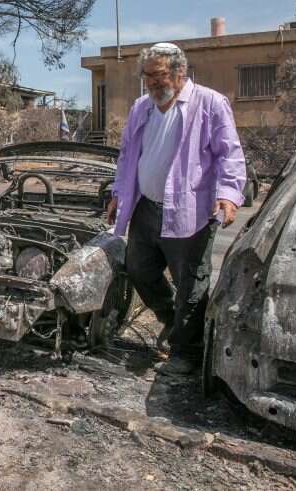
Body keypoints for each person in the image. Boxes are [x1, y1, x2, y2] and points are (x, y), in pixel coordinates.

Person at [106, 42, 246, 375]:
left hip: (190, 211)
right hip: (146, 208)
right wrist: (118, 194)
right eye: (147, 77)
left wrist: (229, 194)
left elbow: (230, 154)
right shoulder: (142, 107)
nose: (152, 83)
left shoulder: (210, 104)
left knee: (191, 282)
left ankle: (187, 352)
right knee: (138, 268)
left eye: (158, 75)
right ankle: (171, 320)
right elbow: (127, 156)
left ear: (179, 72)